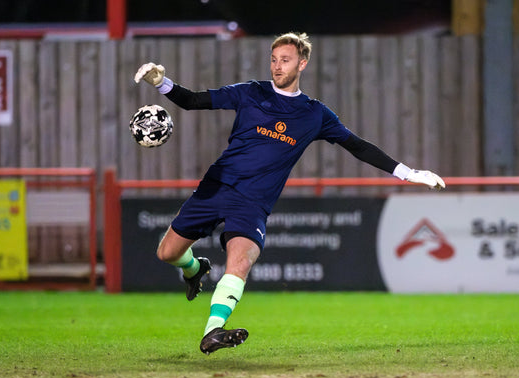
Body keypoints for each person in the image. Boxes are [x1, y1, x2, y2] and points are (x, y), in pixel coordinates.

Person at [134, 32, 445, 355]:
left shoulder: (315, 115)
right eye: (274, 60)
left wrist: (408, 173)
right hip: (216, 188)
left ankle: (213, 331)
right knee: (167, 253)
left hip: (252, 202)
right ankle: (195, 269)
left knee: (240, 261)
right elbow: (194, 100)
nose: (277, 67)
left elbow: (358, 146)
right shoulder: (250, 93)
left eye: (285, 60)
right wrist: (162, 82)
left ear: (302, 63)